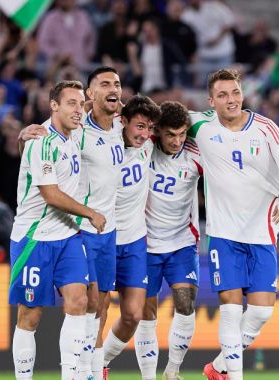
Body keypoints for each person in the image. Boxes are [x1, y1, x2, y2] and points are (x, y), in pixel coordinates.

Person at [189, 69, 279, 380]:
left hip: (262, 231)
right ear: (211, 101)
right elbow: (150, 118)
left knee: (262, 312)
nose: (231, 99)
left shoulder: (265, 128)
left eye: (235, 92)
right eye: (223, 95)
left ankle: (219, 368)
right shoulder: (198, 124)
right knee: (230, 307)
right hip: (223, 233)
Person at [17, 67, 125, 380]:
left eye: (81, 104)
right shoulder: (42, 141)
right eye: (72, 104)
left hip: (68, 235)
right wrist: (89, 211)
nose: (78, 110)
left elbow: (102, 105)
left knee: (82, 303)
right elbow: (50, 194)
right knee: (31, 314)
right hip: (35, 236)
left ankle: (75, 376)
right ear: (54, 106)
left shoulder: (76, 134)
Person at [133, 101, 202, 380]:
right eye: (171, 134)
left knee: (186, 305)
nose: (177, 141)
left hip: (182, 243)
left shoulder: (197, 155)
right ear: (158, 131)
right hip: (145, 245)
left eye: (182, 134)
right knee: (146, 313)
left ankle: (172, 371)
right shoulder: (141, 147)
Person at [100, 95, 161, 377]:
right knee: (96, 315)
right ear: (123, 122)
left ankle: (98, 363)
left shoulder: (149, 143)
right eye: (139, 126)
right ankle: (88, 369)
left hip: (135, 240)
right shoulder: (104, 140)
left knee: (133, 315)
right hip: (103, 238)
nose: (144, 134)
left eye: (148, 128)